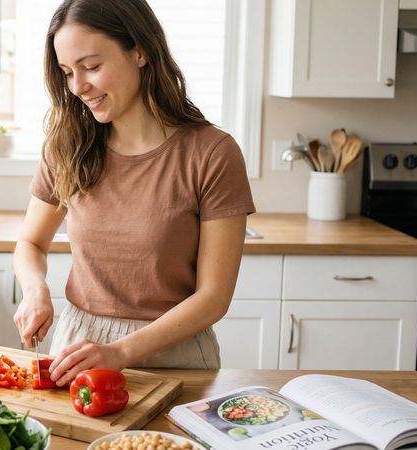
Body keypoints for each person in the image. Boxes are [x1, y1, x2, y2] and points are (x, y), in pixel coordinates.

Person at [13, 0, 256, 387]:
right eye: (67, 72)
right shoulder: (68, 146)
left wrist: (121, 352)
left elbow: (213, 297)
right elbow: (30, 242)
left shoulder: (212, 153)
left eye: (92, 67)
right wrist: (34, 290)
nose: (77, 87)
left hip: (175, 356)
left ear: (140, 51)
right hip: (78, 347)